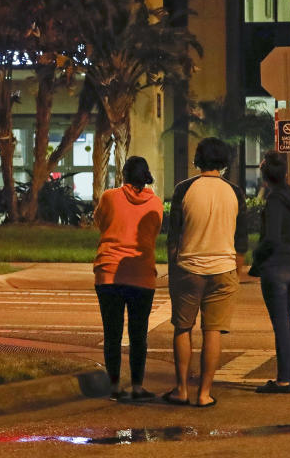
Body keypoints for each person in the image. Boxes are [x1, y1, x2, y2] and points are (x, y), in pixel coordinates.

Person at [165, 137, 248, 407]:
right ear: (224, 161)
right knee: (212, 332)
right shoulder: (234, 192)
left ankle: (181, 389)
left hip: (189, 267)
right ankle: (204, 394)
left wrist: (173, 265)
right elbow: (242, 237)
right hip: (223, 269)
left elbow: (173, 235)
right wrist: (237, 266)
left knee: (182, 328)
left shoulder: (184, 189)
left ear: (198, 159)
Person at [92, 156, 163, 402]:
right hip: (142, 275)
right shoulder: (156, 203)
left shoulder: (109, 197)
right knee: (138, 334)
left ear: (123, 174)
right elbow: (154, 232)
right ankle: (137, 386)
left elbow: (100, 223)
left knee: (112, 333)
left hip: (109, 272)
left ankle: (113, 386)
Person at [250, 151, 290, 394]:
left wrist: (257, 258)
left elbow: (271, 238)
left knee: (281, 323)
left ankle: (283, 380)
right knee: (286, 321)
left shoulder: (274, 200)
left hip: (277, 267)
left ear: (265, 177)